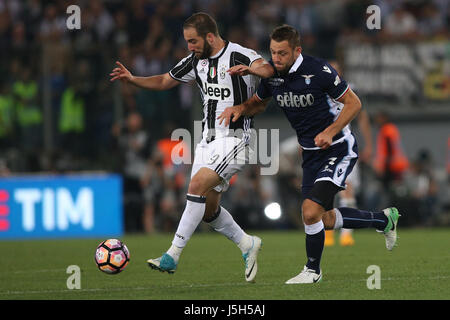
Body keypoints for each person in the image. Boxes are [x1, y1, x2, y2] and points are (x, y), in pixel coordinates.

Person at [218, 25, 400, 284]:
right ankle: (383, 219)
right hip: (311, 155)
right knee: (322, 219)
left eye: (282, 53)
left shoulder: (319, 71)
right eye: (272, 52)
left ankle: (312, 271)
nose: (276, 58)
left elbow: (354, 104)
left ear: (297, 51)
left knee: (309, 211)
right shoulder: (272, 76)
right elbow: (257, 103)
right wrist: (239, 108)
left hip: (338, 148)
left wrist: (331, 130)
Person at [110, 12, 274, 282]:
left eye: (193, 41)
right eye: (187, 41)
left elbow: (268, 69)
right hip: (206, 141)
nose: (189, 47)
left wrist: (251, 69)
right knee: (209, 210)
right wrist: (133, 79)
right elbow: (165, 80)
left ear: (210, 36)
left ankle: (172, 255)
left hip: (235, 139)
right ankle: (247, 244)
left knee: (195, 186)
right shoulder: (196, 61)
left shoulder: (238, 54)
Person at [324, 60, 374, 247]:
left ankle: (346, 234)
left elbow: (362, 117)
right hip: (322, 146)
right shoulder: (317, 88)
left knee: (348, 188)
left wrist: (368, 144)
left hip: (343, 145)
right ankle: (327, 232)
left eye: (337, 68)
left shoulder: (349, 89)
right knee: (324, 191)